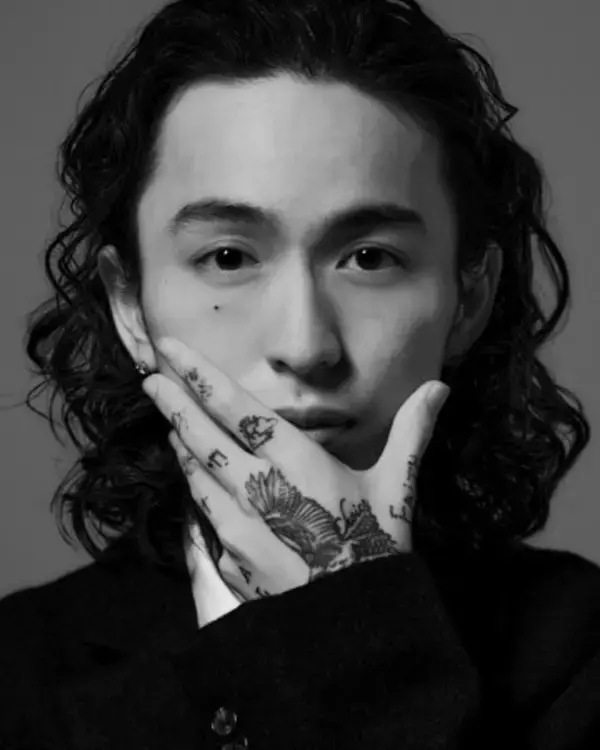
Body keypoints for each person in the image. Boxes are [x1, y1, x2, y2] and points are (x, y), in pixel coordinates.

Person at [1, 0, 598, 747]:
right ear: (130, 307)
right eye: (228, 257)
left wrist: (359, 635)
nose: (307, 345)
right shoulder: (19, 678)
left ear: (468, 299)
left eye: (370, 258)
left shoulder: (581, 653)